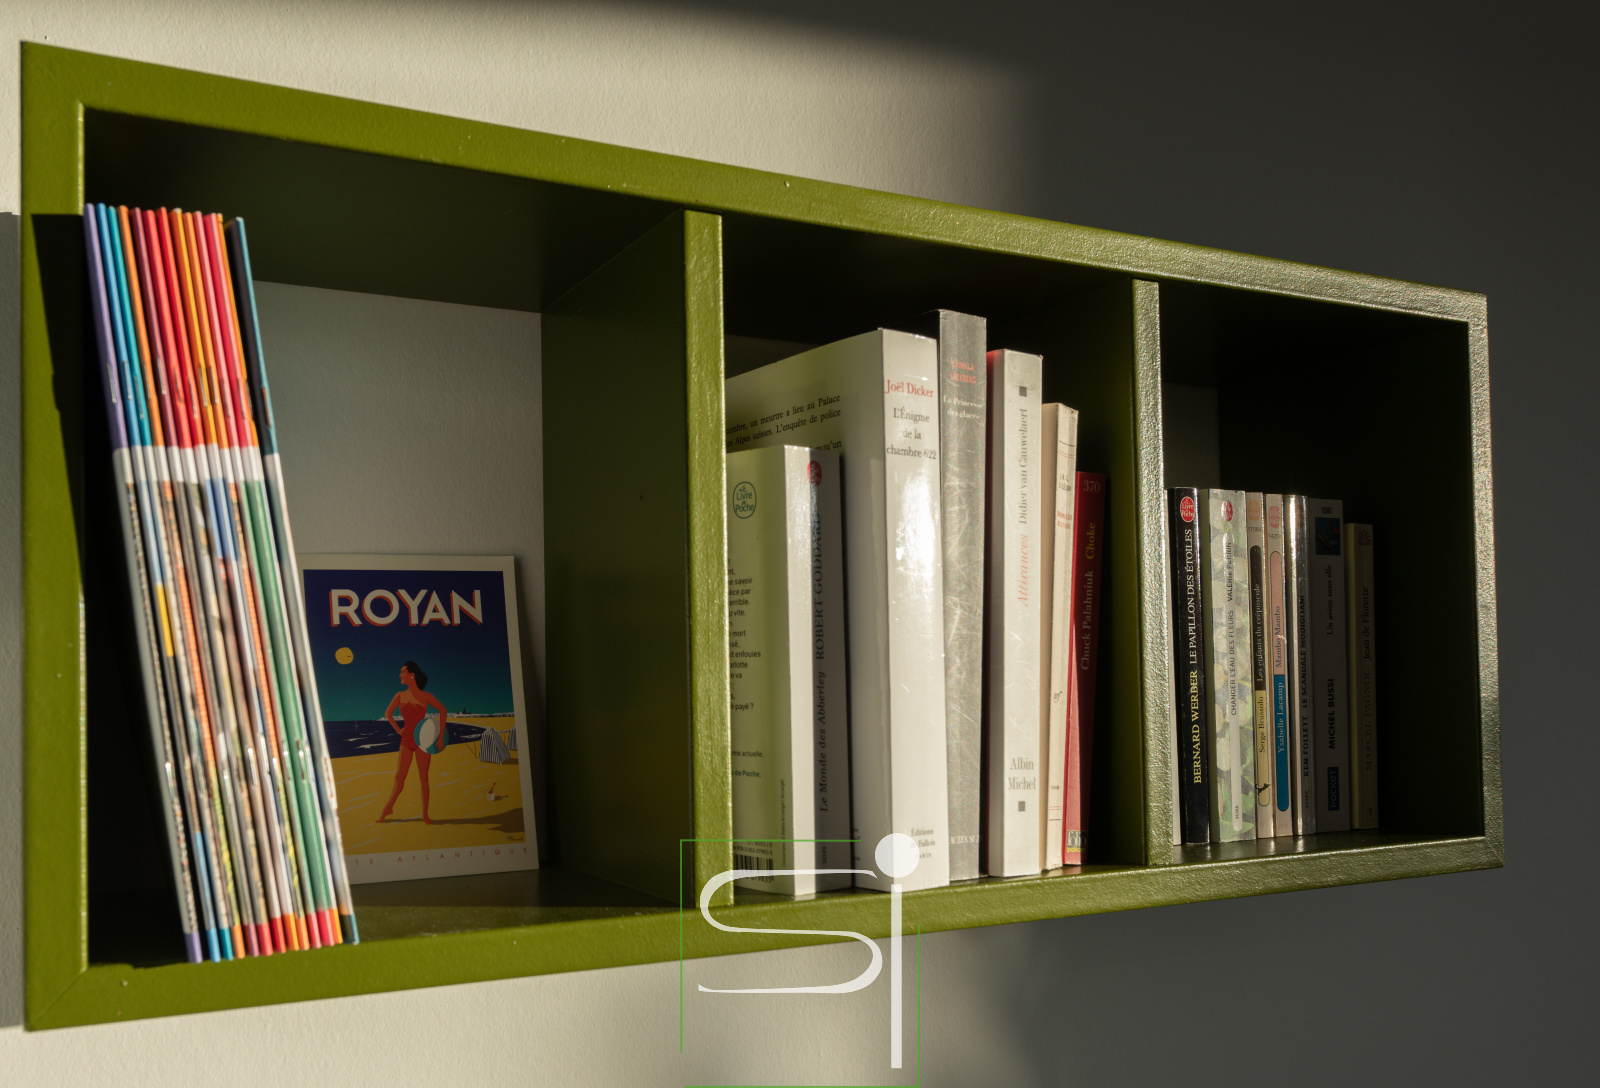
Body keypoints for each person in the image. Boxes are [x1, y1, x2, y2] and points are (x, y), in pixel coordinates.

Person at [377, 660, 448, 823]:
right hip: (406, 739)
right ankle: (388, 807)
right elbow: (388, 713)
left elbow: (443, 710)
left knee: (423, 778)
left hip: (423, 741)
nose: (399, 675)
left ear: (411, 675)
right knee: (399, 777)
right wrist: (397, 729)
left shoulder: (425, 696)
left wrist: (441, 737)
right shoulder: (400, 695)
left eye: (403, 672)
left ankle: (425, 814)